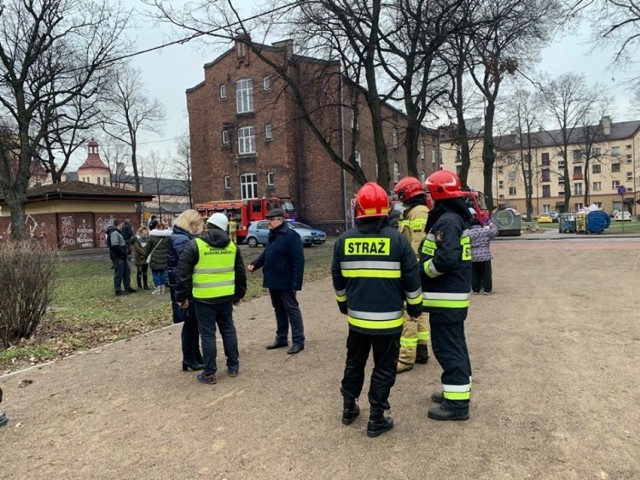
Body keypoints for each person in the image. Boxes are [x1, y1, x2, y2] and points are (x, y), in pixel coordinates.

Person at [332, 182, 422, 438]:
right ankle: (377, 418)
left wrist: (344, 306)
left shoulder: (343, 241)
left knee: (354, 363)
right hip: (389, 322)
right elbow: (412, 280)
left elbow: (338, 281)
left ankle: (349, 409)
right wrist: (415, 308)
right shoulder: (398, 241)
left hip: (358, 321)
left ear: (358, 210)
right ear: (386, 210)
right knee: (383, 368)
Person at [419, 170, 473, 421]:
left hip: (446, 298)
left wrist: (423, 271)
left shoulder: (447, 221)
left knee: (447, 348)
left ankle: (457, 404)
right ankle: (456, 390)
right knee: (455, 346)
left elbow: (446, 260)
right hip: (450, 298)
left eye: (430, 193)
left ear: (438, 194)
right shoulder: (454, 217)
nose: (428, 198)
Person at [175, 213, 247, 385]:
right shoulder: (232, 247)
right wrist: (239, 294)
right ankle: (233, 366)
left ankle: (209, 373)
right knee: (228, 330)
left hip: (204, 299)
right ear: (224, 229)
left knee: (207, 335)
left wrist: (181, 297)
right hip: (226, 297)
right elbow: (240, 274)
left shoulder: (196, 245)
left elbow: (182, 274)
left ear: (208, 226)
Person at [247, 208, 305, 355]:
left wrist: (296, 283)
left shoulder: (291, 236)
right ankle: (281, 338)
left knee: (292, 309)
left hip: (286, 281)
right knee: (279, 309)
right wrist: (255, 264)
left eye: (271, 220)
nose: (268, 223)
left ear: (280, 220)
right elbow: (266, 253)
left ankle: (298, 341)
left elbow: (299, 261)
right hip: (273, 279)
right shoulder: (273, 235)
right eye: (268, 220)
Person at [393, 176, 431, 373]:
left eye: (400, 195)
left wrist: (408, 272)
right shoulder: (414, 212)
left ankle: (406, 358)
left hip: (413, 271)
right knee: (420, 312)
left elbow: (416, 245)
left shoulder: (418, 214)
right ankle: (421, 350)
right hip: (417, 270)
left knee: (409, 313)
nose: (399, 200)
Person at [168, 209, 205, 372]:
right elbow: (186, 265)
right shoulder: (182, 240)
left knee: (193, 323)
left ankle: (194, 356)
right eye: (197, 225)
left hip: (183, 284)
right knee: (190, 323)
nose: (198, 228)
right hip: (185, 286)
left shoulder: (180, 238)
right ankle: (189, 358)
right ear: (190, 224)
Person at [469, 211, 498, 295]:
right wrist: (490, 223)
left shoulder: (469, 233)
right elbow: (495, 231)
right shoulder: (485, 231)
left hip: (473, 256)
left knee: (474, 274)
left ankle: (475, 289)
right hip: (485, 256)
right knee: (486, 274)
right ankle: (487, 290)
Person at [109, 219, 137, 296]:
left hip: (122, 256)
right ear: (119, 224)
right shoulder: (114, 233)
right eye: (122, 224)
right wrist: (122, 253)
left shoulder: (118, 232)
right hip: (118, 256)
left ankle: (127, 287)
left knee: (126, 271)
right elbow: (115, 245)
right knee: (119, 273)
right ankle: (118, 290)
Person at [143, 222, 172, 295]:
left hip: (155, 257)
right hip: (164, 257)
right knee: (162, 272)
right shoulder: (168, 237)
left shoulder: (152, 237)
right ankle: (162, 288)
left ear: (156, 227)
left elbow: (148, 248)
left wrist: (144, 256)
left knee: (155, 273)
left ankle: (157, 288)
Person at [131, 226, 151, 291]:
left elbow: (148, 247)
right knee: (139, 271)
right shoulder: (137, 239)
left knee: (145, 272)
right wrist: (145, 253)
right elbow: (138, 249)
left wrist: (146, 254)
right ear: (140, 233)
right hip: (139, 258)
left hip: (145, 259)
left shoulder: (147, 239)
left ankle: (145, 285)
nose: (145, 235)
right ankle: (139, 286)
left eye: (146, 234)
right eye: (144, 233)